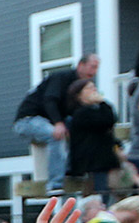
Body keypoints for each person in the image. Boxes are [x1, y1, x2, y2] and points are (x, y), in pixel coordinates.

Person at [15, 52, 98, 194]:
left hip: (52, 120)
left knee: (80, 128)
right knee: (56, 134)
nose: (94, 72)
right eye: (92, 67)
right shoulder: (61, 78)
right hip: (28, 119)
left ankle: (74, 171)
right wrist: (58, 123)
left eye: (97, 68)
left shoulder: (78, 89)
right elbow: (50, 100)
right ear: (80, 65)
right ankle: (55, 183)